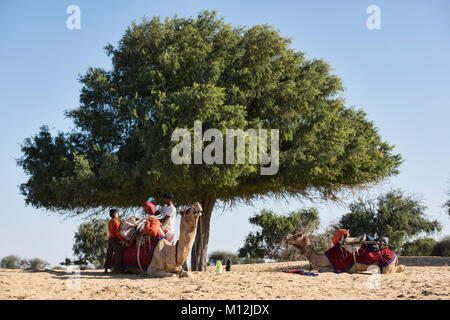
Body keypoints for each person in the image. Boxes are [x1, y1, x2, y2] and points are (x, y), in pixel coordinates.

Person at [104, 209, 124, 274]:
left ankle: (106, 268)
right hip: (116, 239)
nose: (118, 215)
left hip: (110, 239)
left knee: (109, 253)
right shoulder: (116, 222)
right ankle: (116, 269)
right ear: (115, 214)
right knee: (118, 254)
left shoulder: (110, 222)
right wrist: (123, 239)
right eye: (117, 214)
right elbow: (117, 233)